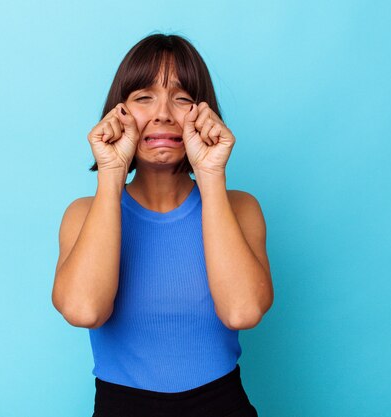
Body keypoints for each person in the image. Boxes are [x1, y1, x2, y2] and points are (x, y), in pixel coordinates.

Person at [52, 33, 274, 417]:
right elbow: (85, 310)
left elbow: (243, 312)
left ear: (205, 113)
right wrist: (110, 173)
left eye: (183, 98)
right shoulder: (82, 214)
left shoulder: (240, 208)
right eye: (143, 97)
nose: (164, 113)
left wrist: (210, 174)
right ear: (117, 112)